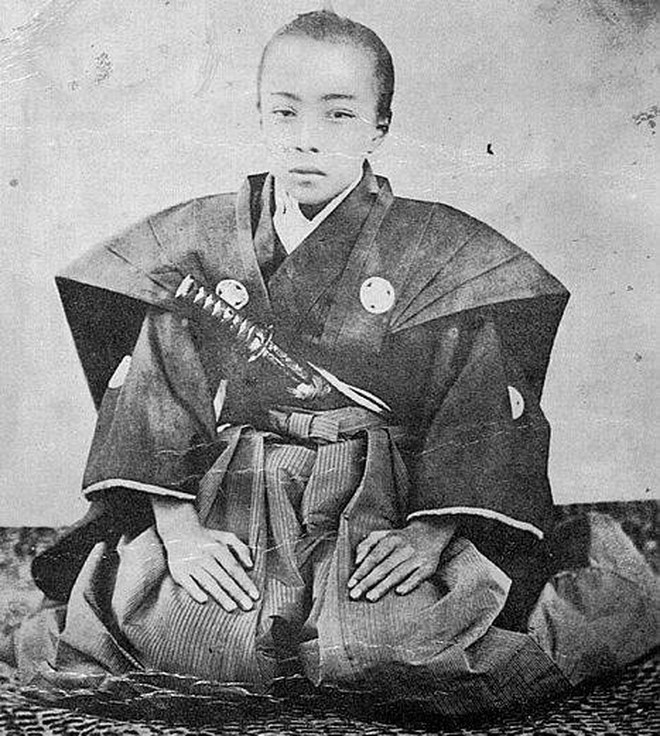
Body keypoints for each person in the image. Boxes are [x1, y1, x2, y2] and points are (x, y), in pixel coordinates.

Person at [23, 9, 657, 717]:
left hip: (381, 488)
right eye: (285, 111)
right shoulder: (205, 244)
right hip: (239, 480)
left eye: (338, 114)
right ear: (260, 115)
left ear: (378, 128)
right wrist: (181, 532)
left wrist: (429, 533)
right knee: (190, 642)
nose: (306, 139)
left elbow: (474, 405)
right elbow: (157, 391)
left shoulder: (432, 251)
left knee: (404, 652)